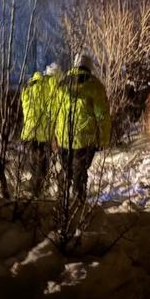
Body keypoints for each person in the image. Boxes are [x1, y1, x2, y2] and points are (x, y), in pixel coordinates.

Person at [54, 53, 111, 202]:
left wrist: (55, 135)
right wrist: (103, 139)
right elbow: (102, 115)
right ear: (89, 67)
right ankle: (78, 202)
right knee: (79, 173)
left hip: (63, 138)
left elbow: (55, 111)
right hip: (84, 140)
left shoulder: (63, 83)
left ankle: (61, 201)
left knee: (66, 171)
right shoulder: (95, 86)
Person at [20, 62, 62, 195]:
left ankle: (33, 192)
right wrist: (55, 137)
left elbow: (25, 104)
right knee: (41, 169)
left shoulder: (31, 83)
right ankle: (34, 194)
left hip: (29, 131)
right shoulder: (53, 86)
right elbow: (55, 113)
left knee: (35, 167)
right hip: (43, 134)